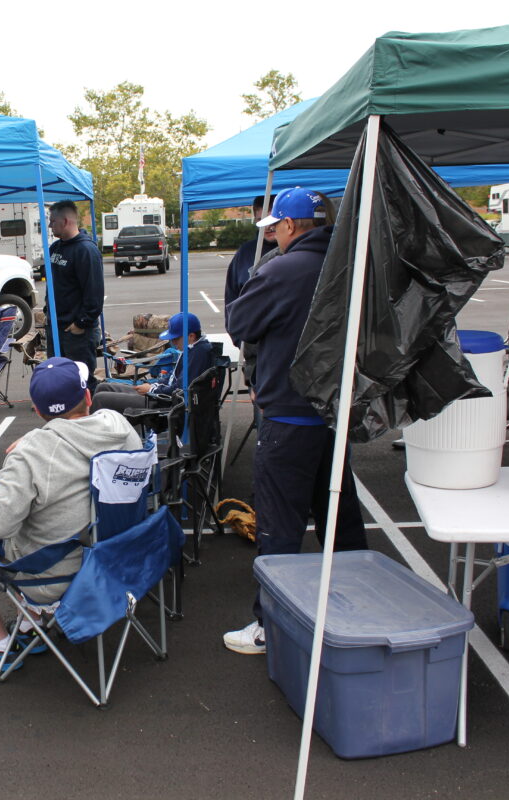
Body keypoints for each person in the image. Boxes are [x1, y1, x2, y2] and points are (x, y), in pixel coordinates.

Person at [222, 188, 368, 655]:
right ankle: (356, 607)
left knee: (280, 529)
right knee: (339, 517)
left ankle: (271, 627)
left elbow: (240, 324)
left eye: (275, 228)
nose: (273, 237)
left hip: (288, 413)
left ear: (287, 226)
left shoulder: (282, 269)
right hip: (334, 412)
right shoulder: (350, 264)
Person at [0, 357, 141, 672]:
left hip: (57, 577)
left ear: (38, 411)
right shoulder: (118, 425)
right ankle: (31, 625)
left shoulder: (31, 455)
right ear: (87, 397)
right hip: (117, 563)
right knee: (49, 522)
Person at [91, 312, 214, 414]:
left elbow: (181, 389)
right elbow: (172, 379)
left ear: (191, 336)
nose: (173, 342)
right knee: (102, 387)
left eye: (175, 338)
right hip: (159, 393)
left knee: (100, 399)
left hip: (164, 402)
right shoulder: (190, 349)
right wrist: (153, 384)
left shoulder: (198, 354)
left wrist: (152, 389)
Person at [44, 200, 104, 389]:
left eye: (53, 221)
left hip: (77, 332)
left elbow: (94, 294)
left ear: (66, 220)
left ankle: (88, 416)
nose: (50, 225)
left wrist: (81, 323)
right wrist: (48, 313)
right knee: (58, 378)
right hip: (56, 327)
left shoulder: (86, 250)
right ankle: (66, 417)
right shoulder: (55, 248)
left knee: (81, 381)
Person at [223, 195, 278, 314]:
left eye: (271, 219)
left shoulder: (294, 249)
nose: (267, 226)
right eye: (260, 220)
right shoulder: (245, 252)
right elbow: (231, 295)